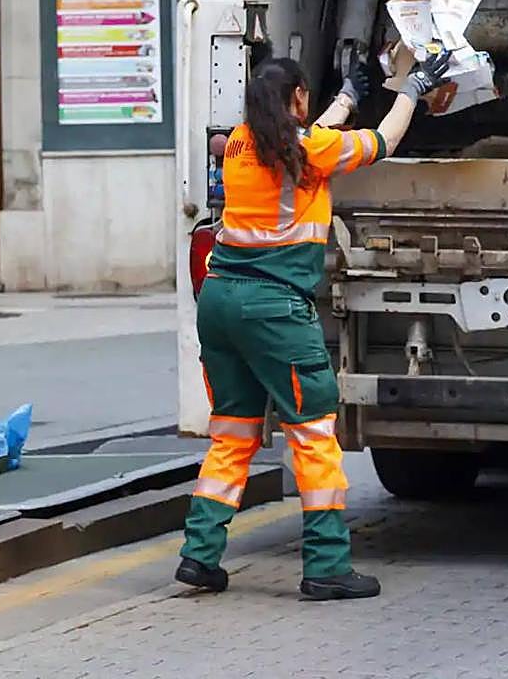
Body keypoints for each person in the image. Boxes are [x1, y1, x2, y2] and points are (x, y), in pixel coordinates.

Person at [177, 49, 451, 599]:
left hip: (221, 301)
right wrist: (412, 90)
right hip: (274, 308)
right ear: (297, 99)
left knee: (233, 432)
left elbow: (306, 136)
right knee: (312, 433)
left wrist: (348, 94)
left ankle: (199, 555)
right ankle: (326, 564)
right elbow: (382, 142)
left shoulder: (235, 143)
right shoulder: (308, 150)